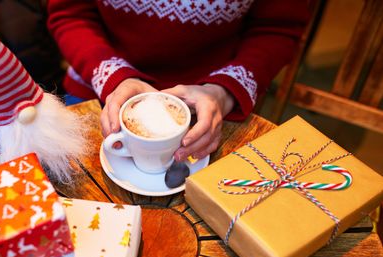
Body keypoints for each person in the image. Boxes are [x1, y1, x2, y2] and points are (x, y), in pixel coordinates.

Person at [47, 0, 310, 161]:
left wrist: (223, 91)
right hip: (98, 82)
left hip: (211, 105)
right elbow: (70, 13)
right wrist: (114, 78)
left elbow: (278, 28)